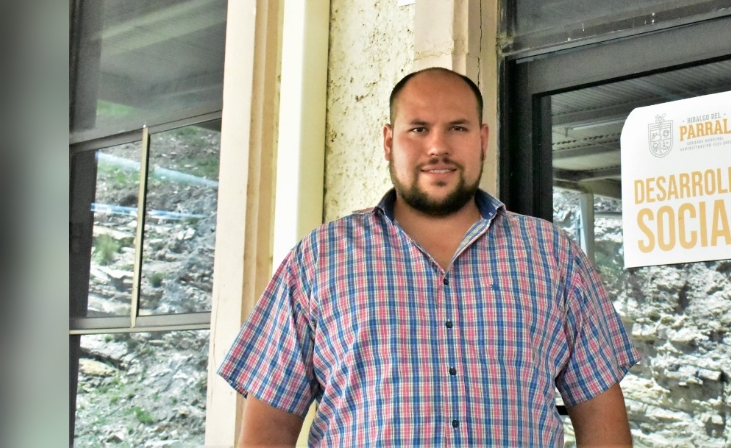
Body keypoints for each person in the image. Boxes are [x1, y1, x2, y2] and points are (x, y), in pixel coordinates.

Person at [218, 67, 639, 447]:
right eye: (418, 129)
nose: (438, 147)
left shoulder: (553, 256)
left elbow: (600, 415)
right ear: (388, 142)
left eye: (457, 128)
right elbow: (268, 427)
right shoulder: (319, 260)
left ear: (482, 140)